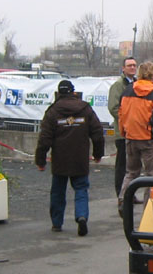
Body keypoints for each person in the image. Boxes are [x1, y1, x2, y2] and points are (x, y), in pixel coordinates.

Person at [35, 79, 104, 236]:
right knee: (81, 189)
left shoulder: (52, 111)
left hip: (60, 159)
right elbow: (98, 132)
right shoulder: (85, 109)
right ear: (73, 92)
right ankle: (81, 216)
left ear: (58, 93)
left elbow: (44, 139)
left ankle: (56, 223)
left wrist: (40, 161)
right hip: (80, 158)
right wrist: (98, 154)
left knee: (57, 192)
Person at [118, 61, 153, 216]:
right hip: (149, 139)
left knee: (131, 172)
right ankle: (148, 211)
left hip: (131, 137)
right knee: (152, 176)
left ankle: (123, 200)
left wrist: (124, 132)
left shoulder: (128, 90)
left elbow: (121, 113)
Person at [107, 56, 137, 200]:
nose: (132, 67)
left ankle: (130, 194)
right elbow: (113, 108)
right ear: (123, 68)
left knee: (133, 166)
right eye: (129, 65)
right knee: (122, 166)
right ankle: (121, 194)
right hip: (123, 132)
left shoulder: (136, 83)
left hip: (135, 132)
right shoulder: (118, 86)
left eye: (134, 65)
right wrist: (128, 120)